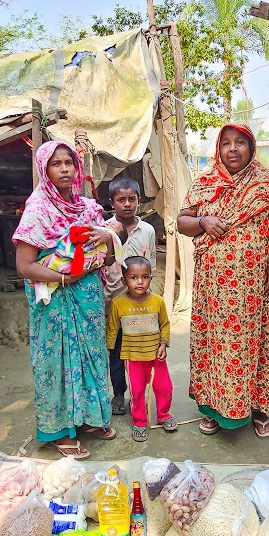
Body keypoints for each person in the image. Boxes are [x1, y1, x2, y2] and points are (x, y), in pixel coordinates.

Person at [176, 123, 269, 439]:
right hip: (214, 291)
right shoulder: (203, 183)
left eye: (240, 143)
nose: (232, 149)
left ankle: (257, 408)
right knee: (216, 346)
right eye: (226, 143)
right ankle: (214, 409)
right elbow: (181, 222)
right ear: (219, 148)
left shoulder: (265, 185)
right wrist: (202, 220)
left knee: (258, 344)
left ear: (251, 147)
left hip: (257, 287)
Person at [13, 141, 119, 459]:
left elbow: (109, 256)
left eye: (68, 163)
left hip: (86, 298)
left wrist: (108, 238)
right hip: (54, 300)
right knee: (56, 361)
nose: (64, 169)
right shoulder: (38, 210)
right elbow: (24, 266)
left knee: (91, 356)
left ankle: (87, 418)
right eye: (56, 163)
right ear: (44, 170)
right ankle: (59, 430)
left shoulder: (88, 209)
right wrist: (63, 277)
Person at [101, 177, 158, 416]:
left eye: (131, 199)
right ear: (111, 202)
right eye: (121, 200)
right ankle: (118, 393)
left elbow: (151, 265)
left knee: (140, 351)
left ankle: (138, 394)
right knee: (115, 352)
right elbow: (101, 265)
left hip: (140, 306)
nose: (127, 204)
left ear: (139, 201)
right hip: (113, 303)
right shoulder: (104, 230)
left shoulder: (148, 230)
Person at [106, 256, 176, 442]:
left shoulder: (158, 301)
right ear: (124, 280)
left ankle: (163, 415)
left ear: (151, 279)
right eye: (134, 277)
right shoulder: (118, 303)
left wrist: (163, 343)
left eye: (145, 277)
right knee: (136, 393)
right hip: (132, 356)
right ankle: (139, 421)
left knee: (164, 388)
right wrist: (110, 349)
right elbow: (113, 328)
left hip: (155, 356)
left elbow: (165, 325)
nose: (140, 281)